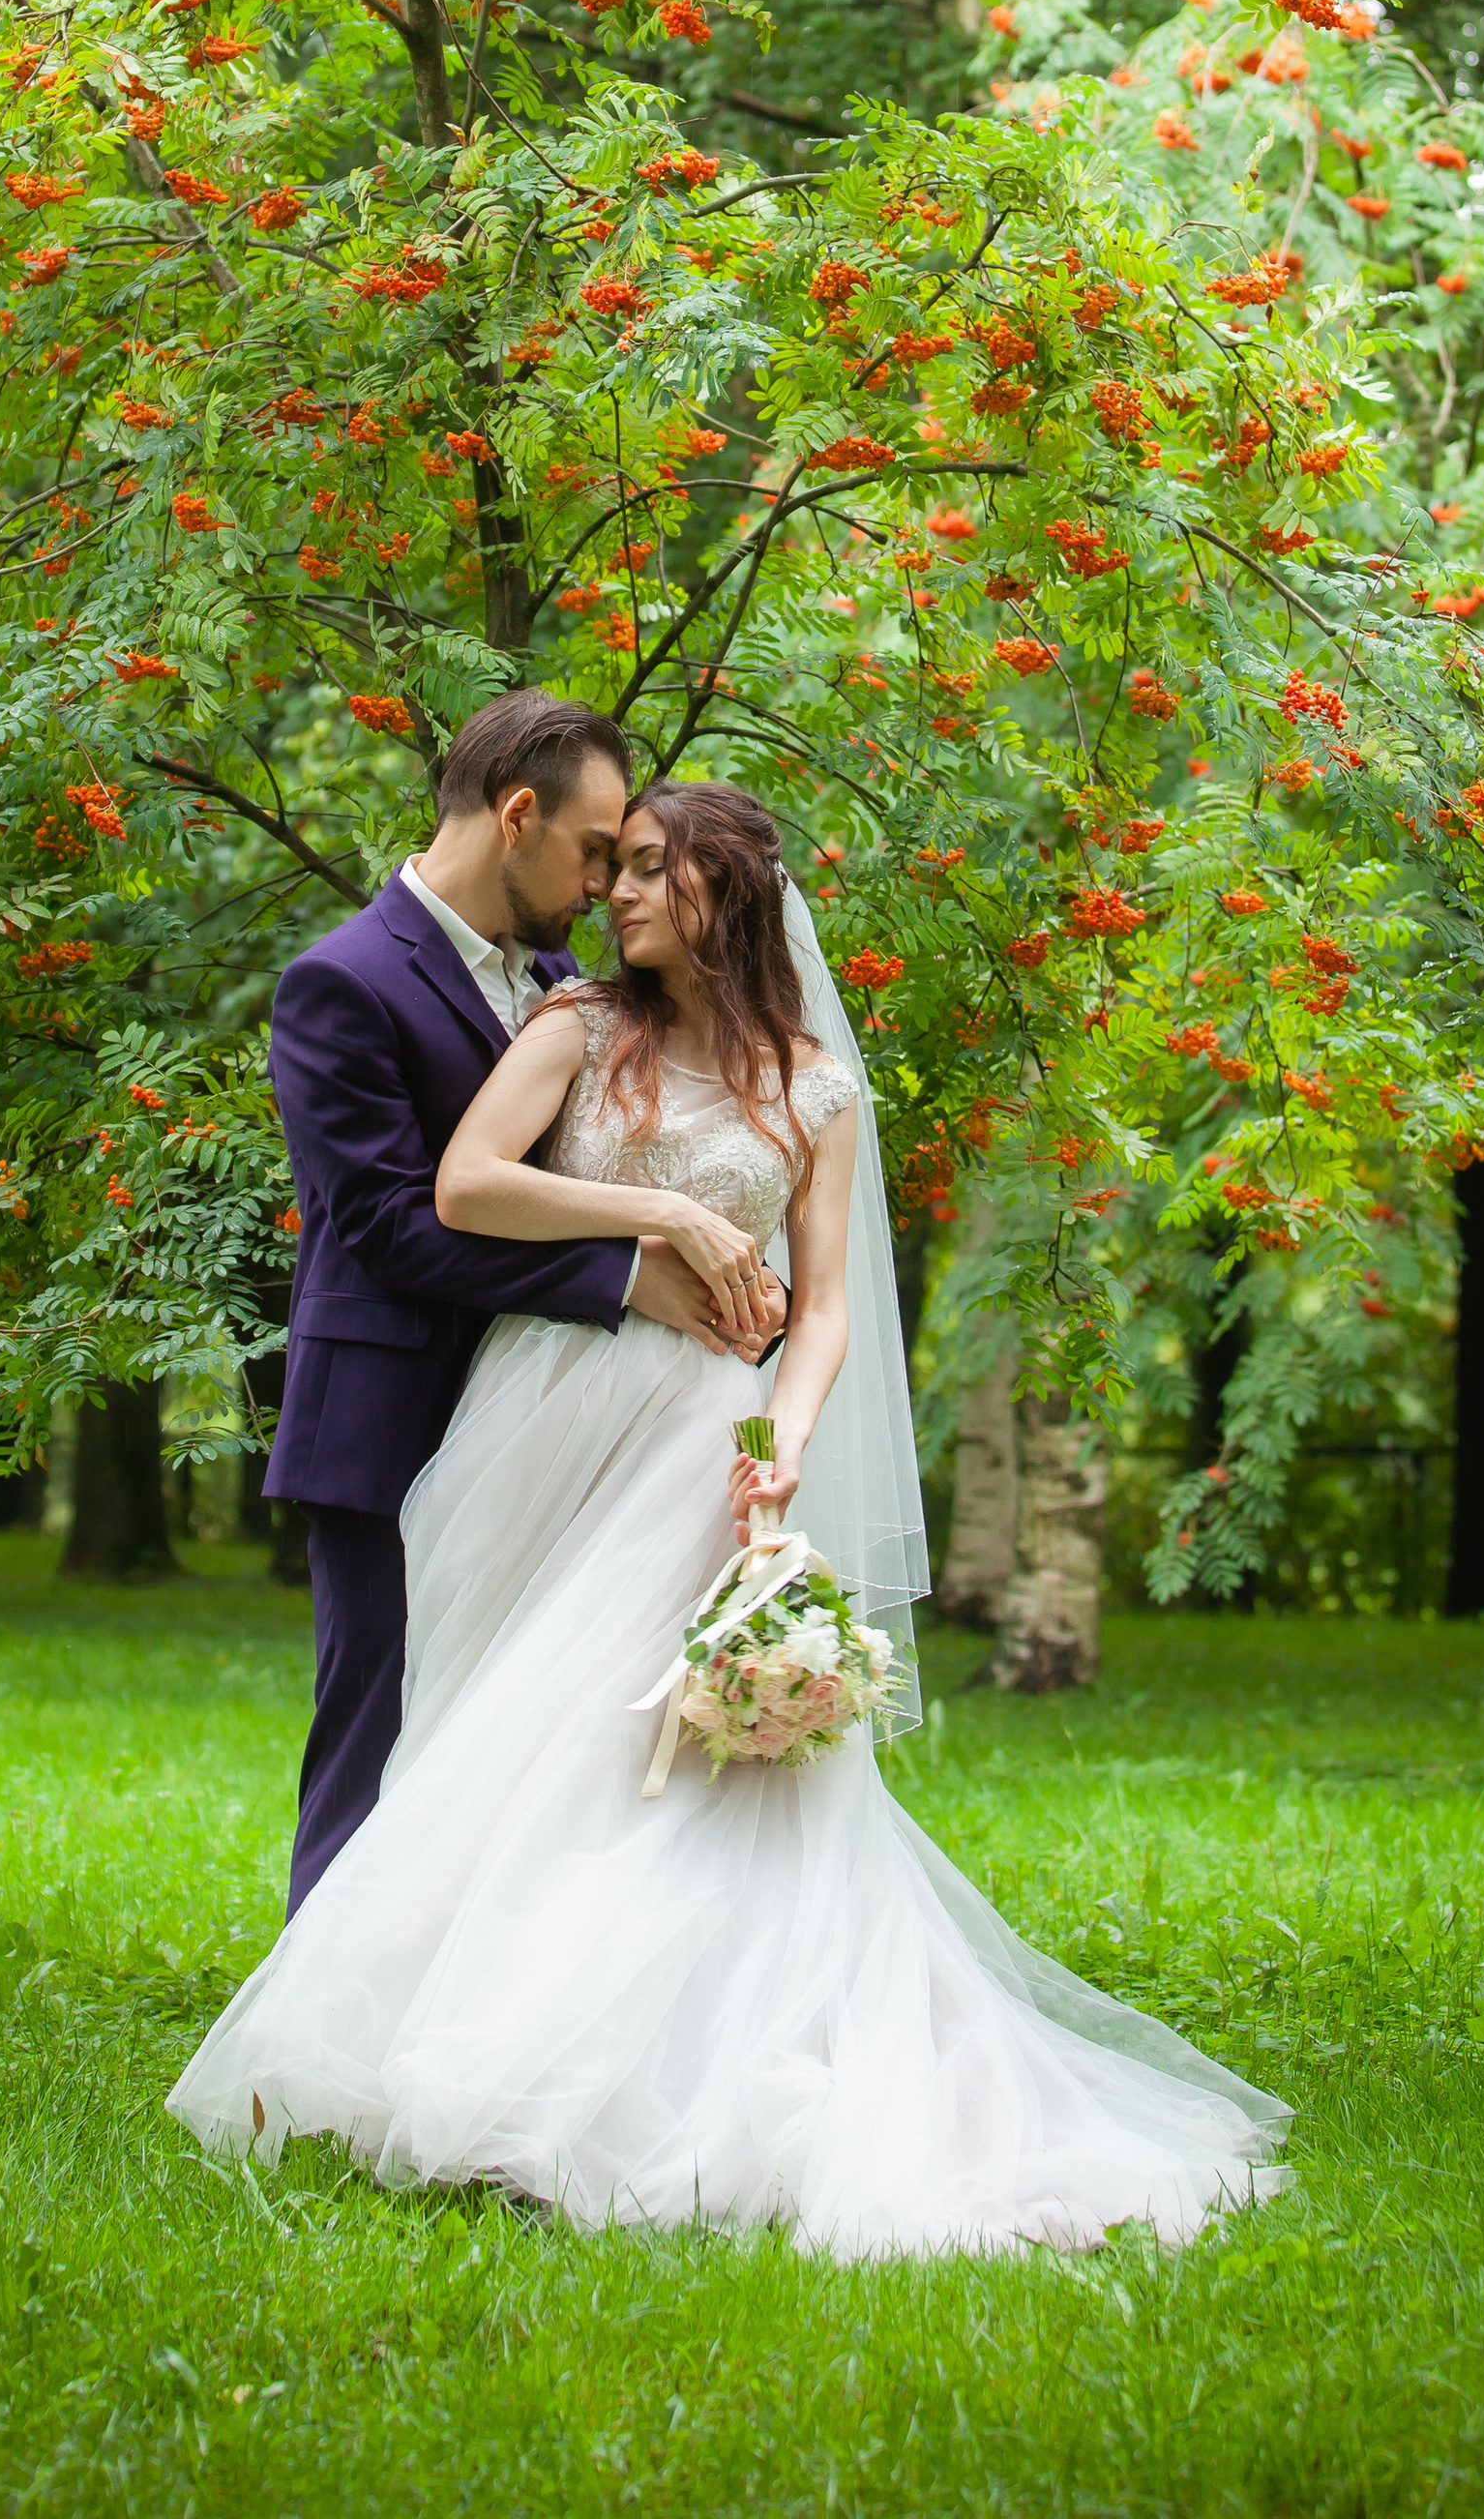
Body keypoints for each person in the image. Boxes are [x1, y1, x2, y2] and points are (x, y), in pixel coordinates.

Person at [175, 777, 1291, 2259]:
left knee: (663, 1750)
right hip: (543, 1412)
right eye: (611, 865)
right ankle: (459, 2033)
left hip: (709, 1433)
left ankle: (644, 2068)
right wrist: (667, 1217)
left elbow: (824, 1309)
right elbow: (466, 1185)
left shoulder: (817, 1085)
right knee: (511, 1721)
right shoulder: (573, 1029)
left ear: (725, 895)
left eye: (648, 871)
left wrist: (787, 1440)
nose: (615, 894)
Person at [262, 692, 783, 1913]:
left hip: (551, 1421)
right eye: (599, 850)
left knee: (514, 1741)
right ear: (515, 816)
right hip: (389, 1414)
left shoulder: (562, 984)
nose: (608, 885)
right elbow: (392, 1224)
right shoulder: (339, 982)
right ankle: (304, 2036)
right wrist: (627, 1275)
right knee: (380, 1726)